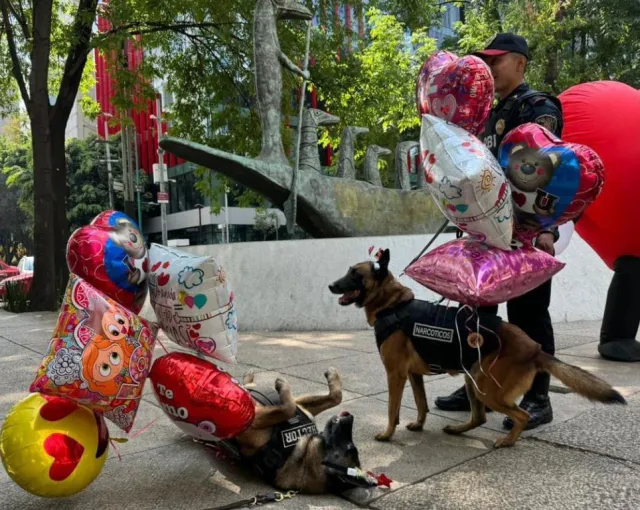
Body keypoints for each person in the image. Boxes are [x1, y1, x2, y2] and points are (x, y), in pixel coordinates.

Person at [435, 33, 564, 431]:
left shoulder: (538, 106)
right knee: (476, 313)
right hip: (483, 231)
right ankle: (477, 386)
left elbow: (547, 169)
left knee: (527, 315)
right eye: (484, 61)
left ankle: (538, 396)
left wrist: (547, 229)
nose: (488, 68)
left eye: (496, 60)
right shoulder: (484, 114)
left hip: (524, 229)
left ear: (520, 63)